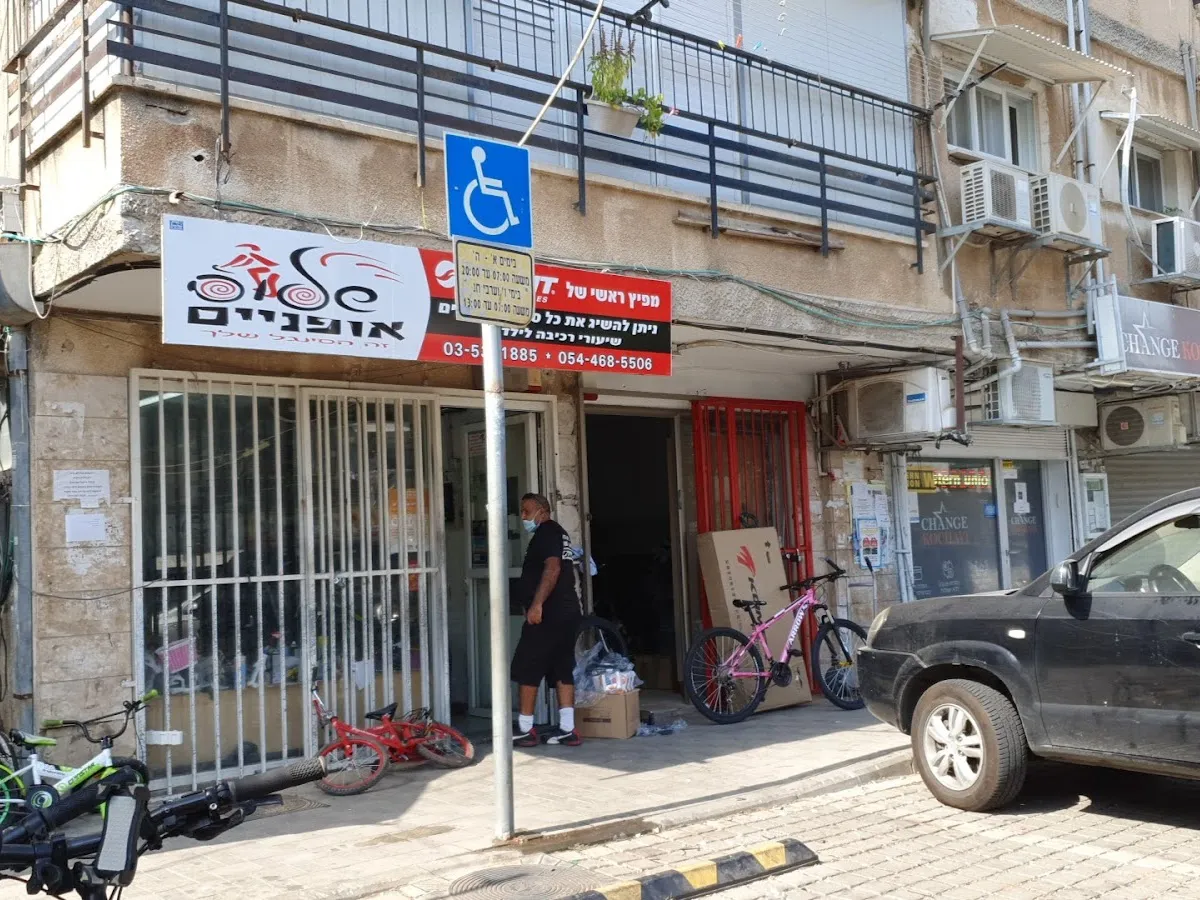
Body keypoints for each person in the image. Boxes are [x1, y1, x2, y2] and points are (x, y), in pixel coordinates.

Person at [511, 492, 582, 747]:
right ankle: (568, 729)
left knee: (528, 666)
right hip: (567, 613)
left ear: (542, 511)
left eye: (526, 511)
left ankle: (525, 729)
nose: (523, 516)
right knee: (562, 667)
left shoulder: (548, 533)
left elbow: (552, 569)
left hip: (549, 614)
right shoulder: (558, 534)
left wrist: (537, 605)